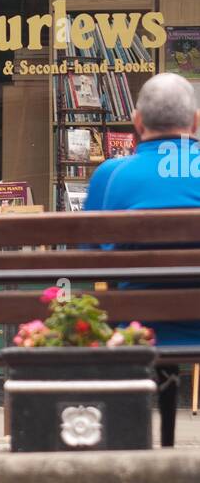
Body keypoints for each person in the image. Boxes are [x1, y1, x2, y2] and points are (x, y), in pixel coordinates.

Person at [85, 71, 200, 345]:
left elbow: (90, 256)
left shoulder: (109, 174)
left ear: (137, 122)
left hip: (138, 325)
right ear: (195, 122)